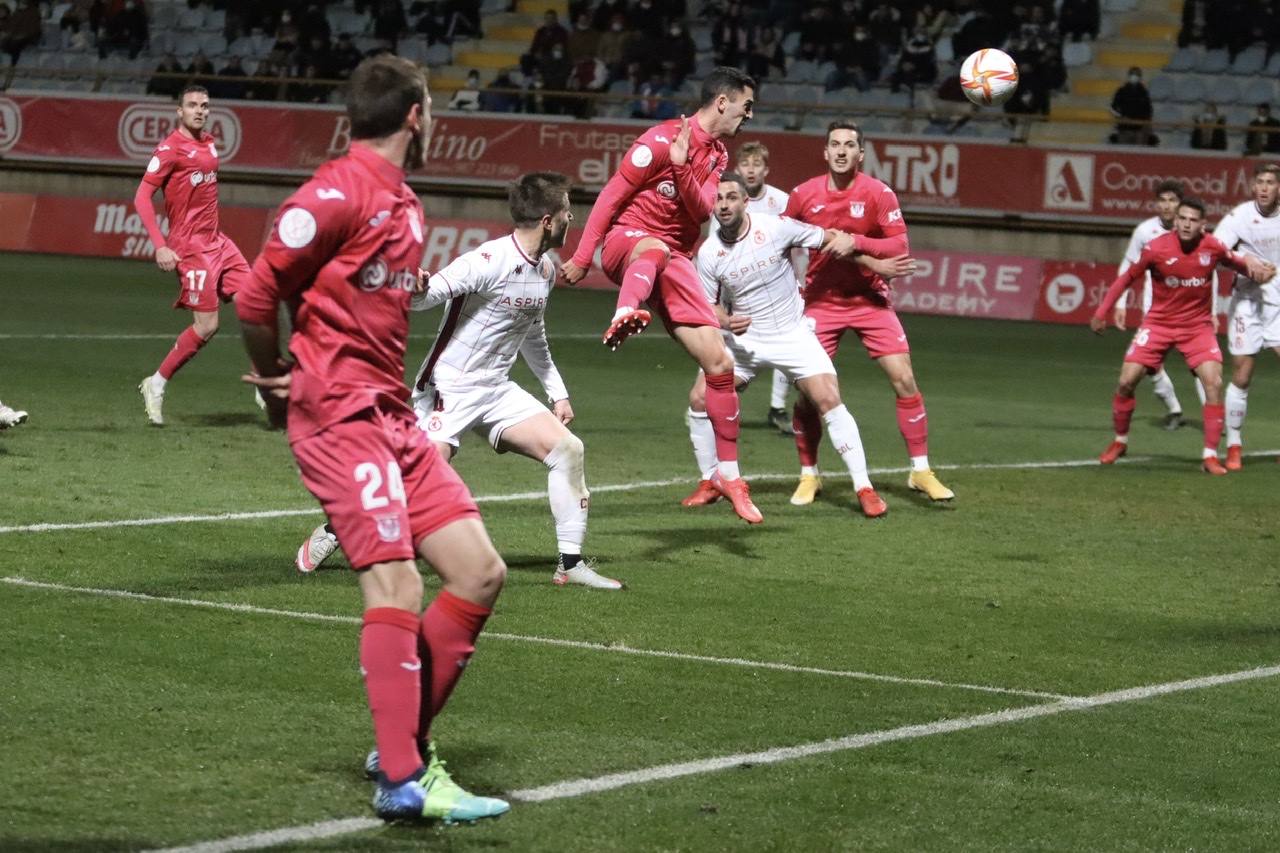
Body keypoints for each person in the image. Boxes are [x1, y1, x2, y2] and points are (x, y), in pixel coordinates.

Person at [235, 54, 510, 823]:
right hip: (341, 420)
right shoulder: (334, 192)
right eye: (436, 107)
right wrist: (276, 374)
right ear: (417, 114)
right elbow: (257, 297)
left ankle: (401, 742)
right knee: (397, 584)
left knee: (480, 571)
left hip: (394, 416)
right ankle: (402, 779)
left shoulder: (405, 202)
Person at [297, 172, 622, 590]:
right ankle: (338, 526)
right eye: (565, 212)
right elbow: (431, 295)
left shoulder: (543, 269)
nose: (570, 218)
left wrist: (557, 392)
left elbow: (533, 334)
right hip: (448, 388)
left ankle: (570, 564)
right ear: (547, 220)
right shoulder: (489, 260)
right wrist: (417, 288)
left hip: (497, 389)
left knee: (568, 450)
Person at [560, 67, 765, 524]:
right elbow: (611, 198)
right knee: (651, 247)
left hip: (674, 261)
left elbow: (699, 209)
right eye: (746, 105)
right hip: (626, 245)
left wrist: (680, 166)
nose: (750, 114)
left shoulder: (714, 154)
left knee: (719, 363)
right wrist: (581, 255)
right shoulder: (657, 139)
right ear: (722, 102)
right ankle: (625, 310)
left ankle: (728, 476)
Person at [684, 174, 915, 518]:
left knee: (828, 399)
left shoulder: (777, 228)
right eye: (718, 200)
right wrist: (726, 321)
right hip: (746, 340)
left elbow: (833, 241)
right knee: (700, 398)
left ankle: (864, 487)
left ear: (745, 202)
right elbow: (707, 305)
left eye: (732, 197)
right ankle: (710, 481)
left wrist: (875, 262)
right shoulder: (710, 253)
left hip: (792, 335)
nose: (724, 205)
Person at [783, 120, 955, 505]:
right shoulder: (803, 195)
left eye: (849, 145)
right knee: (810, 394)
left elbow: (899, 245)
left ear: (861, 153)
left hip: (870, 301)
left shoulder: (878, 194)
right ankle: (809, 474)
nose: (841, 151)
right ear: (825, 152)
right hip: (821, 301)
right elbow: (782, 240)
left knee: (904, 379)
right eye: (834, 144)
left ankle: (921, 470)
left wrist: (854, 243)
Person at [1091, 197, 1275, 474]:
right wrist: (1103, 310)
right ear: (1176, 221)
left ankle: (1210, 456)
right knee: (1126, 381)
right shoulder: (1156, 248)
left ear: (1203, 225)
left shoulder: (1212, 246)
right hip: (1159, 324)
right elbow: (1127, 277)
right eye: (1183, 219)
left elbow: (1234, 262)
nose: (1187, 224)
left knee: (1213, 383)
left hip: (1196, 328)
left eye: (1193, 220)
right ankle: (1120, 441)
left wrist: (1256, 270)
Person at [134, 85, 252, 426]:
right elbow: (142, 197)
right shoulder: (170, 149)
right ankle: (155, 384)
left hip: (219, 242)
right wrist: (160, 244)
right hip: (190, 248)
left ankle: (264, 381)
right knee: (208, 326)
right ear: (179, 111)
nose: (199, 110)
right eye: (192, 105)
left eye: (204, 105)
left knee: (254, 303)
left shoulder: (210, 142)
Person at [1110, 179, 1197, 430]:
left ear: (1180, 203)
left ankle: (1215, 417)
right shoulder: (1145, 231)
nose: (1167, 205)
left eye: (1172, 200)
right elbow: (1128, 266)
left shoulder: (1192, 232)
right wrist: (1121, 303)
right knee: (1150, 365)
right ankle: (1175, 410)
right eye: (1163, 200)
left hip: (1190, 311)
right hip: (1155, 313)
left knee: (1200, 366)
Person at [1213, 163, 1280, 470]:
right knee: (1241, 375)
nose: (1264, 187)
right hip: (1248, 301)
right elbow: (1213, 252)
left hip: (1279, 300)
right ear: (1254, 187)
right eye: (1260, 182)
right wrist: (1244, 261)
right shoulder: (1239, 217)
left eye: (1271, 182)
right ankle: (1234, 443)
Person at [735, 140, 796, 435]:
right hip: (740, 290)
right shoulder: (727, 199)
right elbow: (714, 242)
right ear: (737, 169)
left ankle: (777, 407)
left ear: (766, 170)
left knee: (789, 346)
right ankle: (709, 402)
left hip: (778, 291)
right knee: (734, 351)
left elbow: (799, 241)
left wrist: (803, 281)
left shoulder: (781, 201)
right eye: (746, 164)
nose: (750, 170)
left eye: (756, 165)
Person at [1109, 67, 1153, 146]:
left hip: (1139, 131)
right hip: (1124, 129)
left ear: (1140, 77)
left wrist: (1145, 125)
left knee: (1138, 155)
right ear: (1129, 75)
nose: (1134, 76)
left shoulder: (1144, 92)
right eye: (1133, 74)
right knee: (1123, 154)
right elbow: (1113, 108)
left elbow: (1149, 110)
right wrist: (1121, 117)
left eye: (1137, 74)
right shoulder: (1121, 91)